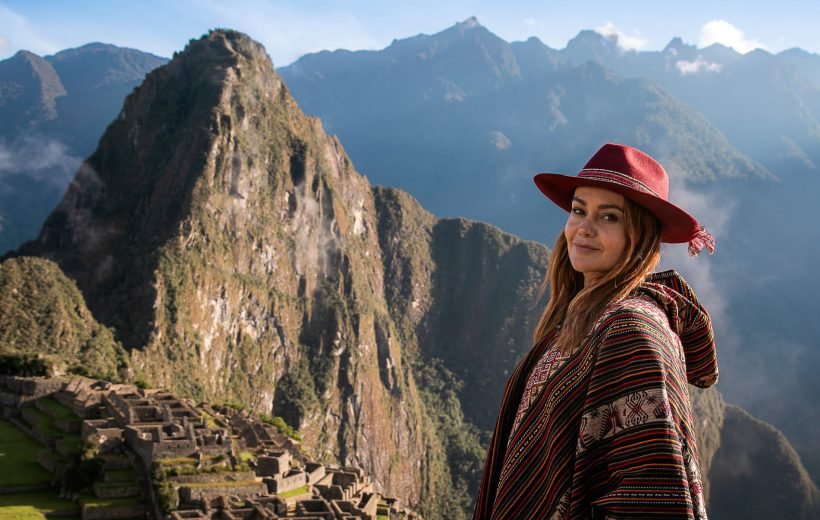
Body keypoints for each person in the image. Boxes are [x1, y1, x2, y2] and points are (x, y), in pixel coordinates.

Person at [473, 143, 719, 519]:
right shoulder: (580, 320)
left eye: (609, 217)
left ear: (640, 235)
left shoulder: (632, 331)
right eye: (578, 210)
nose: (583, 228)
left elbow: (654, 493)